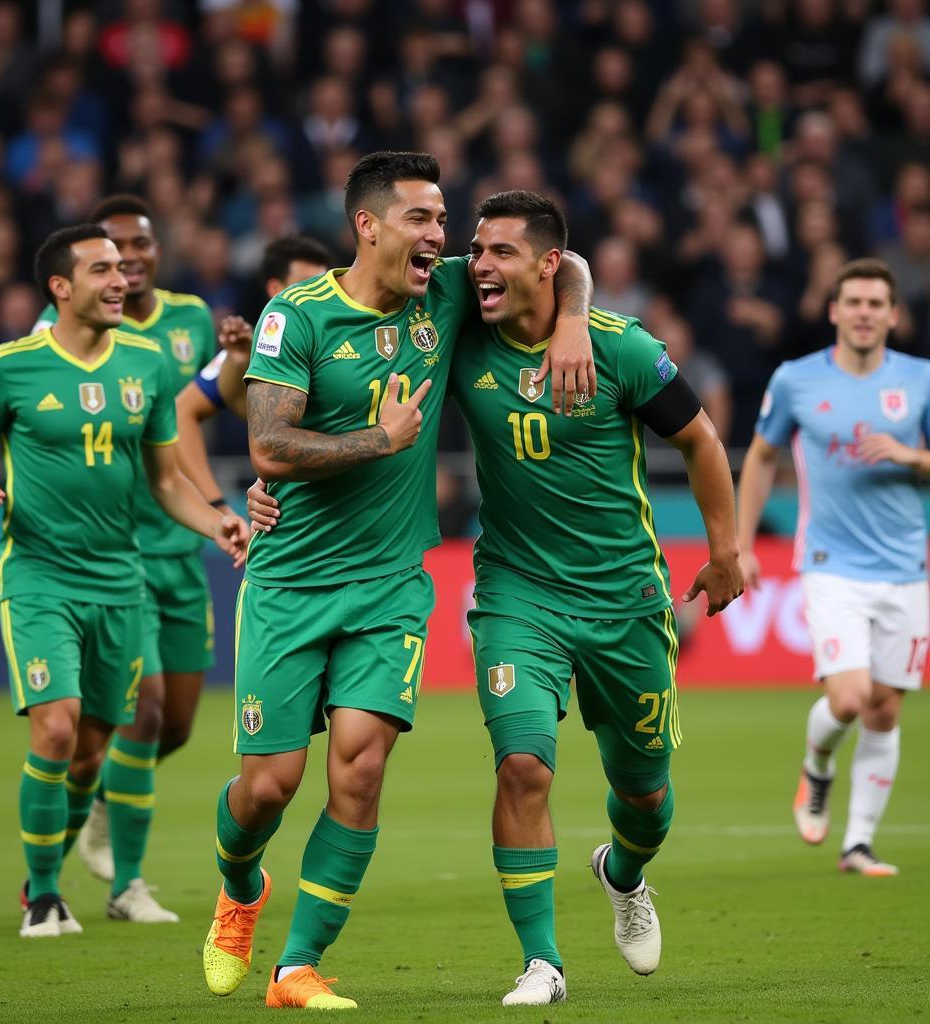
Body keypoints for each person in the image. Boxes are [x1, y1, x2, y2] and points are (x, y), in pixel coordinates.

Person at [247, 190, 744, 1006]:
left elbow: (699, 438)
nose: (476, 266)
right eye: (473, 251)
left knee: (645, 797)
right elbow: (299, 415)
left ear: (546, 266)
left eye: (499, 253)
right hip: (517, 592)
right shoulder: (456, 331)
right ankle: (542, 962)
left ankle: (622, 874)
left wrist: (724, 549)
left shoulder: (620, 348)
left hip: (624, 598)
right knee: (522, 768)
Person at [202, 152, 594, 1010]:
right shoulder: (293, 319)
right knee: (269, 785)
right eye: (423, 220)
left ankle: (296, 967)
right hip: (292, 583)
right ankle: (239, 887)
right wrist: (377, 441)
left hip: (390, 586)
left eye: (444, 221)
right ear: (368, 225)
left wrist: (572, 322)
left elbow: (566, 261)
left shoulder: (446, 294)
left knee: (361, 770)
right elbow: (268, 449)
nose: (442, 239)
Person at [0, 224, 249, 937]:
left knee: (91, 753)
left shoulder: (145, 364)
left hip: (121, 579)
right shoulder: (10, 365)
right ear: (60, 287)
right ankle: (45, 895)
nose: (119, 280)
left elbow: (166, 478)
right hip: (39, 575)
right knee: (55, 729)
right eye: (101, 270)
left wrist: (214, 521)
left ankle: (49, 869)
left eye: (122, 268)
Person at [33, 195, 217, 921]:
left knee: (174, 726)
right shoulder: (54, 340)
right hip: (119, 553)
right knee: (137, 717)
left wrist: (233, 363)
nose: (128, 262)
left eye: (139, 246)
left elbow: (200, 415)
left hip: (182, 544)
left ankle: (100, 798)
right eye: (111, 253)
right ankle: (126, 885)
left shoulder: (189, 322)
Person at [737, 258, 930, 877]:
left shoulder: (921, 380)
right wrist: (741, 543)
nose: (866, 313)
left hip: (908, 566)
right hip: (831, 564)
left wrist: (910, 455)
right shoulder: (796, 380)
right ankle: (817, 768)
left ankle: (859, 844)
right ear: (834, 311)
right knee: (848, 699)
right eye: (855, 302)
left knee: (885, 708)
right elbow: (762, 456)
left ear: (893, 315)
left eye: (877, 303)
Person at [176, 236, 332, 509]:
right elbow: (182, 411)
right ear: (275, 289)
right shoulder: (257, 347)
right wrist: (217, 505)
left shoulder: (347, 344)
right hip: (281, 506)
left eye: (324, 286)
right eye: (307, 286)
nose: (319, 297)